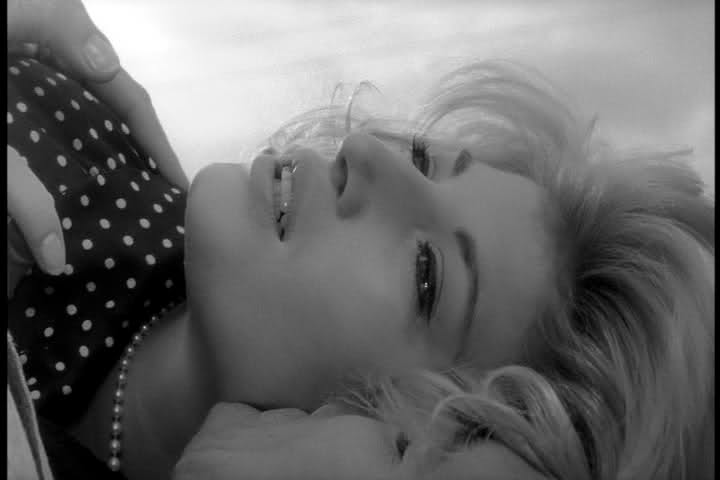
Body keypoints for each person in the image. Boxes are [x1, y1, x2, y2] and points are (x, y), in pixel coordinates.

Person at [7, 3, 714, 480]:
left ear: (425, 435)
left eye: (427, 273)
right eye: (423, 160)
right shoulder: (77, 132)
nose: (367, 155)